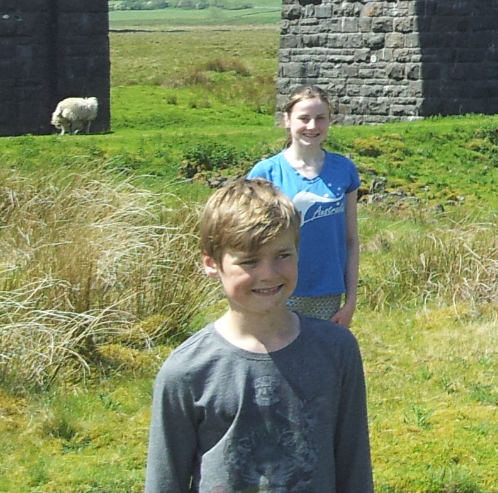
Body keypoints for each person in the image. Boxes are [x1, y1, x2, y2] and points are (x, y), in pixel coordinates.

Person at [146, 178, 373, 493]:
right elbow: (164, 481)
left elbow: (354, 467)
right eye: (249, 261)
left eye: (282, 255)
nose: (268, 274)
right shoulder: (186, 370)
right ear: (212, 264)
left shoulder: (336, 350)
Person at [249, 87, 361, 325]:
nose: (312, 126)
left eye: (320, 118)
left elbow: (350, 240)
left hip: (327, 295)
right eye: (304, 118)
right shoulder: (265, 173)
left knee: (321, 360)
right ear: (287, 121)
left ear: (330, 121)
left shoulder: (345, 170)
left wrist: (350, 301)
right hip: (277, 290)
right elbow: (249, 242)